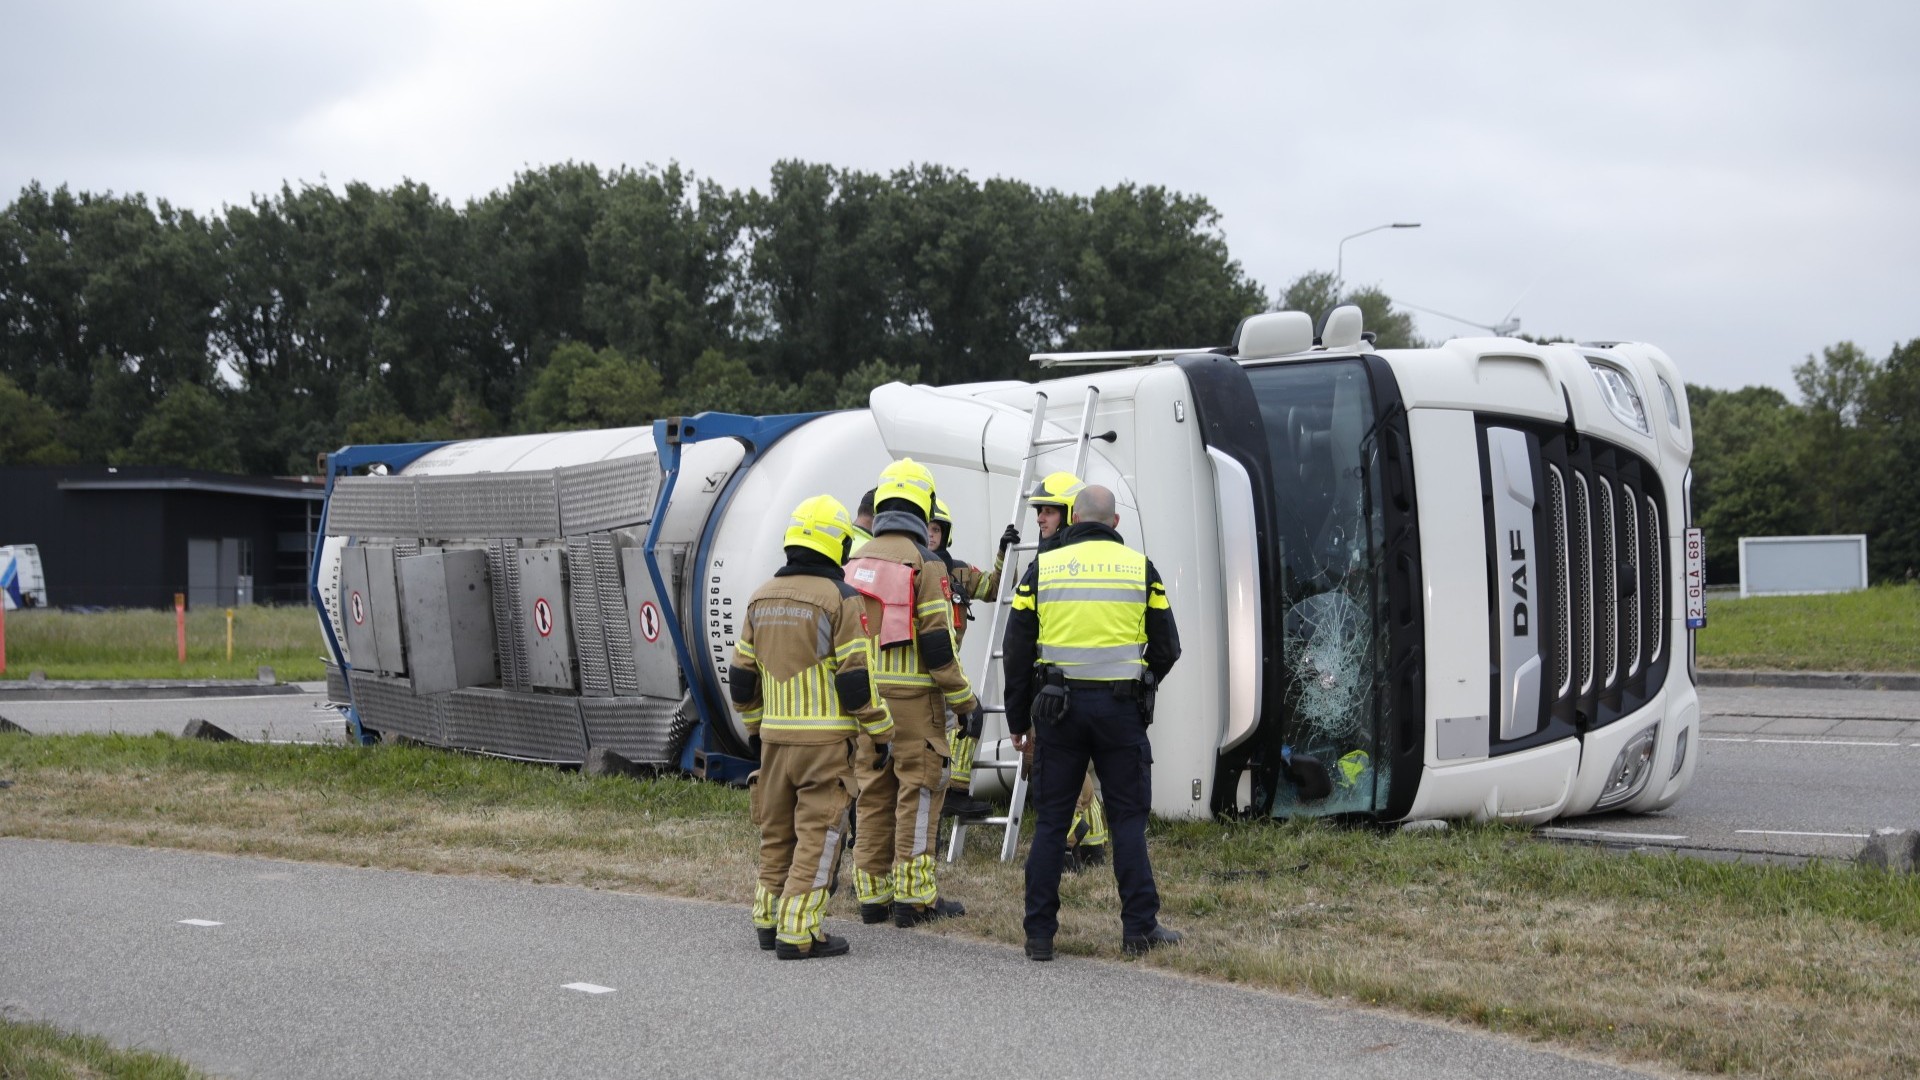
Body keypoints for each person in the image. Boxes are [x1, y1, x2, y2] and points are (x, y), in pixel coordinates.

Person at [1003, 484, 1182, 960]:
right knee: (1128, 820)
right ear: (1114, 523)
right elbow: (1168, 647)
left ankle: (1039, 935)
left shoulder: (1044, 568)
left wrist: (1018, 717)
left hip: (1057, 712)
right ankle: (1139, 930)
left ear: (1074, 518)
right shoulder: (1141, 569)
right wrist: (1145, 679)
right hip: (1121, 712)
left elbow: (1016, 649)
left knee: (1051, 822)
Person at [729, 495, 894, 960]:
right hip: (824, 746)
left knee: (777, 834)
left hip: (774, 743)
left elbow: (741, 679)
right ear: (837, 544)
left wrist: (757, 727)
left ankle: (767, 922)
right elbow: (856, 683)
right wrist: (882, 733)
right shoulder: (841, 599)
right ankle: (799, 932)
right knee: (818, 837)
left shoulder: (761, 596)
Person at [844, 459, 983, 927]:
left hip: (868, 705)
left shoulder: (855, 561)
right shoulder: (925, 563)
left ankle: (872, 896)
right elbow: (939, 646)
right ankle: (915, 898)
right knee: (919, 794)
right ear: (924, 506)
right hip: (916, 704)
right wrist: (965, 701)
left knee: (872, 794)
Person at [1025, 472, 1109, 870]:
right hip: (1081, 685)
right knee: (1076, 768)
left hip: (1058, 684)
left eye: (1049, 511)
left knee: (1054, 769)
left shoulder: (1056, 564)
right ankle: (1094, 843)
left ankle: (1064, 843)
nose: (1040, 518)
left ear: (1071, 514)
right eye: (1038, 511)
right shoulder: (1076, 558)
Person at [927, 496, 1020, 820]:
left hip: (948, 667)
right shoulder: (911, 569)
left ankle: (953, 793)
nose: (930, 535)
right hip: (918, 670)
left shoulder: (959, 573)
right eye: (925, 528)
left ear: (945, 534)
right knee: (959, 718)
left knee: (970, 715)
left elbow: (994, 588)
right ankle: (945, 798)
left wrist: (1004, 553)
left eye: (935, 529)